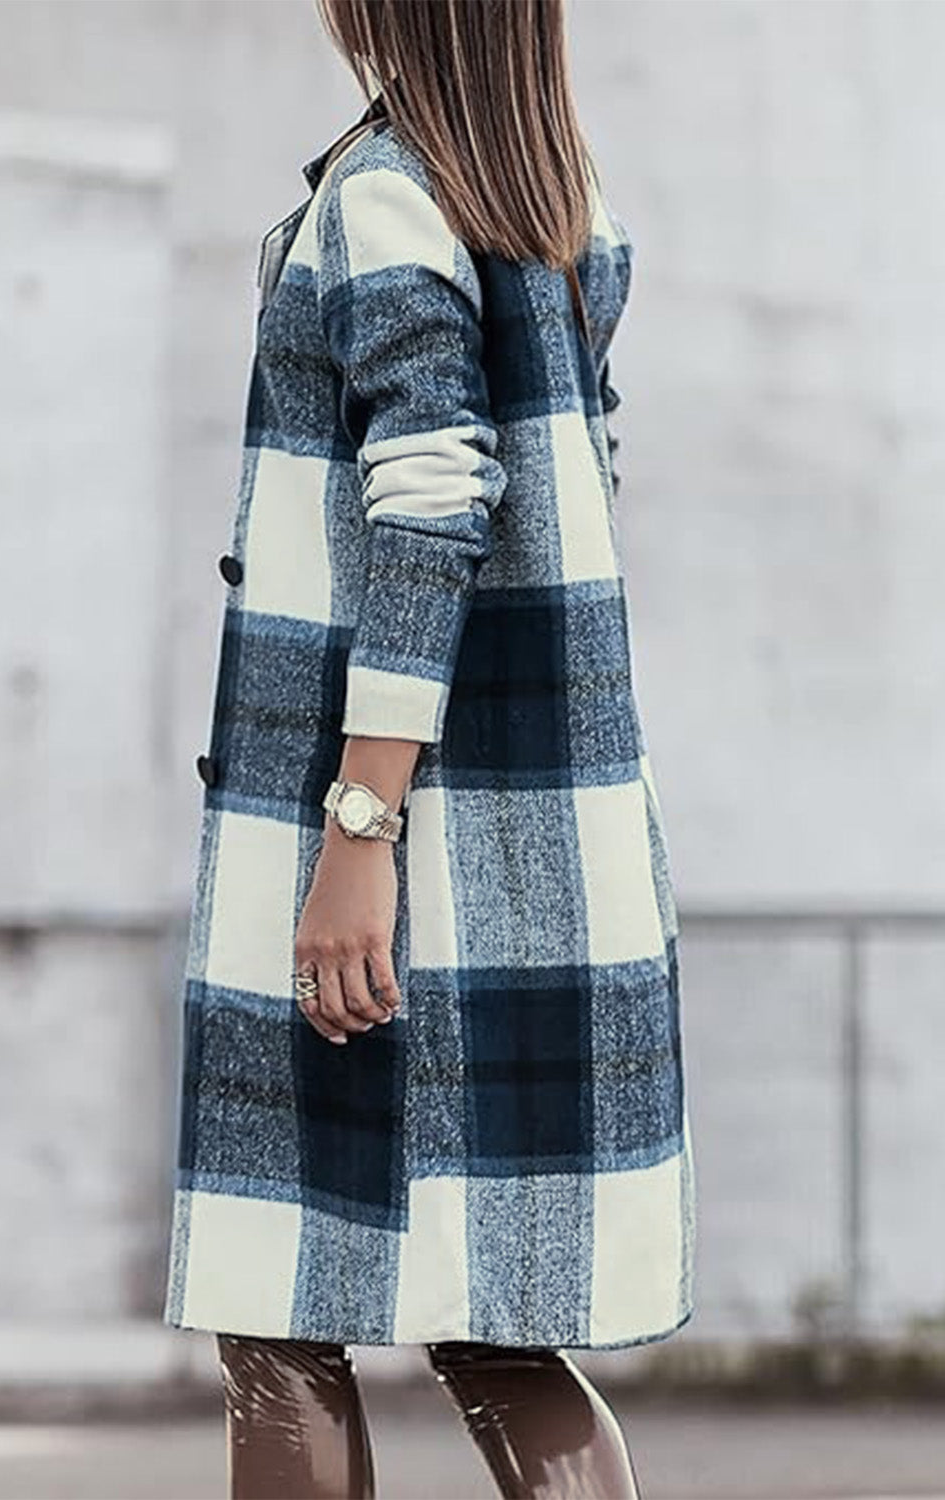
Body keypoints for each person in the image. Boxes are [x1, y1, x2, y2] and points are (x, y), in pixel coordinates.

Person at [162, 1, 696, 1494]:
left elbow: (431, 507)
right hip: (542, 863)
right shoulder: (558, 204)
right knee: (501, 1330)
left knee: (276, 1315)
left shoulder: (388, 199)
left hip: (375, 836)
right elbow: (564, 496)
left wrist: (358, 831)